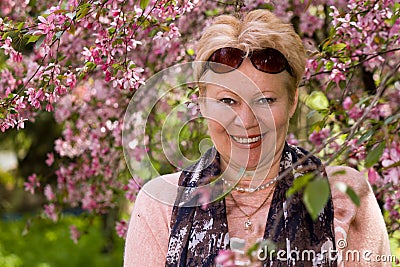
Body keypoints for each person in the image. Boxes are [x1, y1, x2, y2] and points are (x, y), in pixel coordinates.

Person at [123, 9, 391, 267]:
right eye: (227, 101)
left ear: (292, 101)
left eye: (265, 100)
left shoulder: (343, 194)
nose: (247, 121)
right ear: (202, 104)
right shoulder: (160, 204)